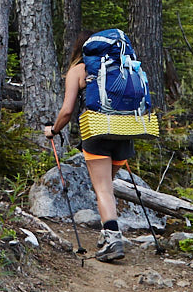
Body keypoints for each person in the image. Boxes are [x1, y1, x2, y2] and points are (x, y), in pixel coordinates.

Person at [43, 31, 137, 264]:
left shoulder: (79, 70)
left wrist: (53, 130)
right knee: (108, 187)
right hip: (125, 131)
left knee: (102, 189)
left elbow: (67, 111)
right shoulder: (122, 66)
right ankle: (108, 234)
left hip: (97, 132)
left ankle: (113, 239)